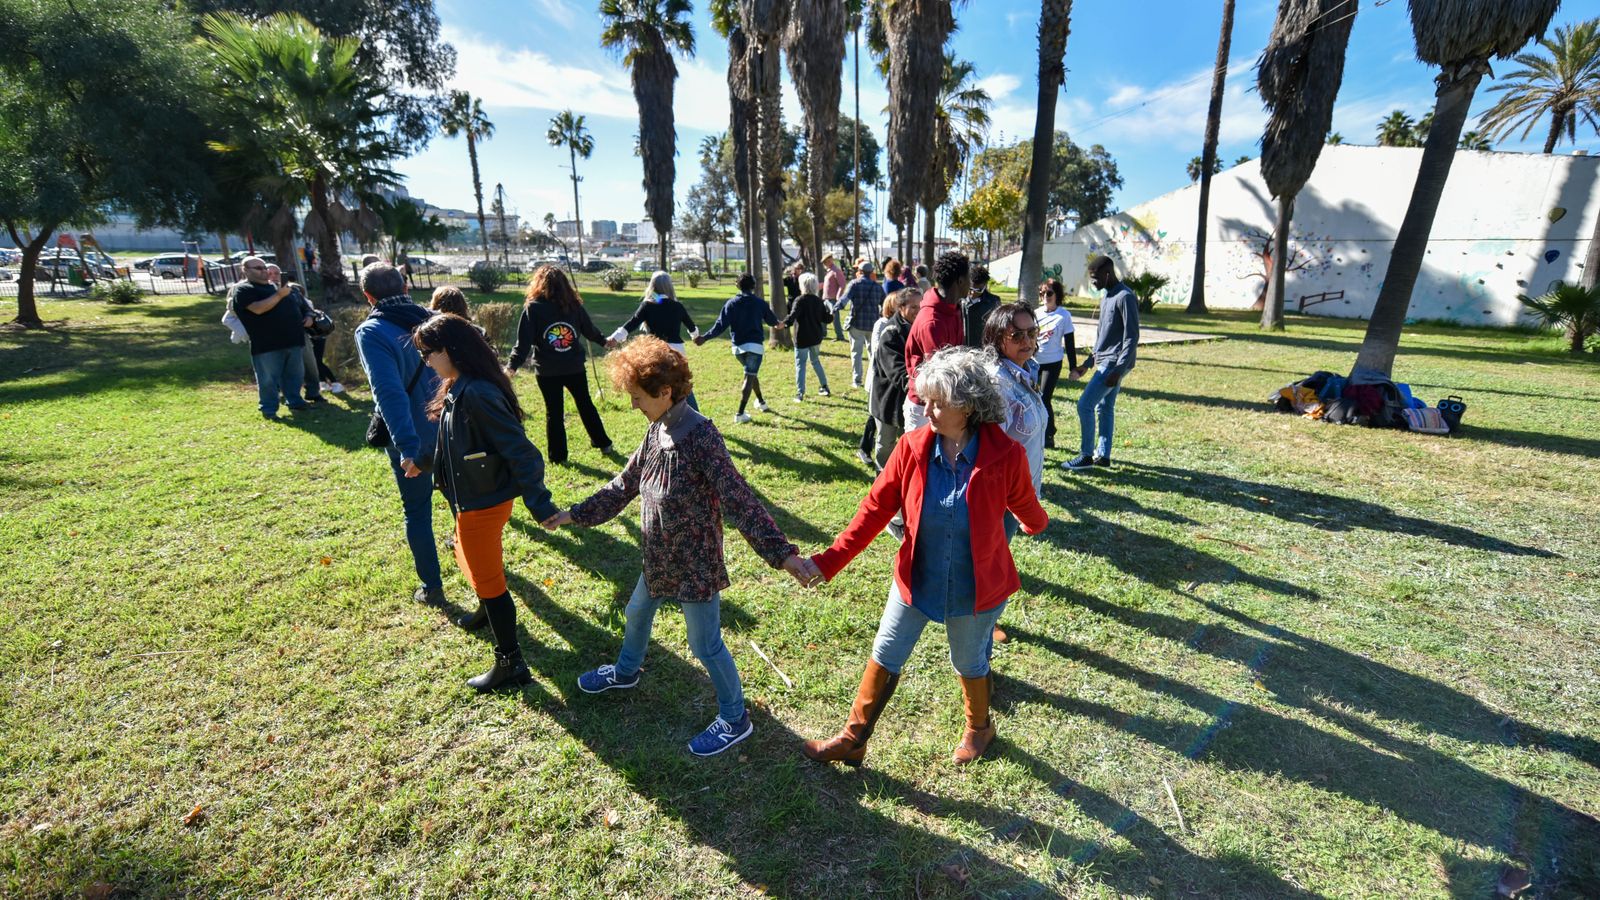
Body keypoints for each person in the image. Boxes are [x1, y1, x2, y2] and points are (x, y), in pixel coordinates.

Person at [543, 337, 819, 756]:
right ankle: (626, 671)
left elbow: (738, 499)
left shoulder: (701, 436)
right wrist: (573, 515)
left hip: (694, 563)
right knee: (636, 612)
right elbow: (625, 484)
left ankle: (735, 718)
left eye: (638, 397)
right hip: (658, 557)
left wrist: (782, 554)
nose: (634, 404)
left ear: (665, 392)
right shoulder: (657, 429)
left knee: (705, 644)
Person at [801, 347, 1048, 767]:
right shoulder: (912, 447)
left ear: (967, 407)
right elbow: (874, 510)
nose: (925, 409)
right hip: (917, 576)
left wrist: (1035, 523)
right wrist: (829, 562)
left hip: (975, 585)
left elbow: (1025, 503)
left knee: (968, 661)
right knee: (886, 651)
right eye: (925, 399)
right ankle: (854, 738)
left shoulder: (1005, 454)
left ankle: (979, 728)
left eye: (937, 402)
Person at [413, 314, 560, 691]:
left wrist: (541, 505)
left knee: (491, 581)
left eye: (428, 354)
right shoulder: (459, 386)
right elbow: (451, 442)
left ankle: (510, 663)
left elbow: (521, 452)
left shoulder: (477, 393)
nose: (426, 362)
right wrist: (422, 461)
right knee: (466, 556)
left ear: (450, 350)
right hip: (471, 497)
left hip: (482, 503)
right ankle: (485, 609)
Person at [352, 262, 445, 607]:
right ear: (405, 287)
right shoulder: (437, 319)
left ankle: (432, 587)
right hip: (451, 429)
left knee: (417, 511)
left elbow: (387, 393)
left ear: (368, 296)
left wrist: (407, 447)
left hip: (414, 439)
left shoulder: (372, 331)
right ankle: (482, 577)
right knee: (463, 506)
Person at [982, 302, 1049, 648]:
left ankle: (984, 622)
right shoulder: (998, 384)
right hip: (1003, 497)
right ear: (998, 338)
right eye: (1017, 335)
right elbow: (991, 450)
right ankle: (981, 633)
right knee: (991, 566)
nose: (1027, 341)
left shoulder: (1024, 371)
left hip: (1019, 492)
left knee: (995, 561)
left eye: (1031, 332)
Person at [507, 265, 613, 464]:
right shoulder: (573, 306)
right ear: (565, 284)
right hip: (573, 367)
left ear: (538, 284)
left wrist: (511, 366)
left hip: (548, 370)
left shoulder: (534, 308)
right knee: (585, 404)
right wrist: (604, 341)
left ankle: (558, 457)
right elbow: (590, 330)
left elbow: (523, 343)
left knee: (554, 412)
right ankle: (604, 443)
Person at [1065, 255, 1139, 471]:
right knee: (1105, 408)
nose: (1093, 282)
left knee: (1085, 405)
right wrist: (1088, 363)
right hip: (1105, 361)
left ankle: (1086, 456)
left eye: (1096, 278)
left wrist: (1119, 369)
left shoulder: (1125, 296)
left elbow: (1131, 336)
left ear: (1107, 274)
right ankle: (1103, 456)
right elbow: (1102, 338)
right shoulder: (1107, 296)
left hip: (1114, 363)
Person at [694, 273, 787, 423]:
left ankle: (761, 402)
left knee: (751, 374)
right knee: (749, 377)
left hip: (737, 348)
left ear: (737, 285)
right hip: (755, 347)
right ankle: (740, 413)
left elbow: (719, 326)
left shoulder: (731, 303)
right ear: (753, 286)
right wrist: (781, 324)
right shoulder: (760, 303)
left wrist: (704, 338)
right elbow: (774, 323)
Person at [229, 256, 311, 419]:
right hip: (267, 344)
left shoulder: (277, 288)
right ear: (245, 270)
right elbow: (258, 309)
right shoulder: (243, 290)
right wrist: (279, 295)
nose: (264, 271)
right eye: (258, 268)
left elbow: (301, 306)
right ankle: (269, 409)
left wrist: (308, 315)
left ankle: (295, 401)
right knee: (268, 379)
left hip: (293, 340)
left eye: (264, 267)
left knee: (294, 376)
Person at [607, 271, 701, 409]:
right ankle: (696, 415)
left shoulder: (648, 305)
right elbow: (692, 327)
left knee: (657, 388)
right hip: (677, 353)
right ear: (669, 286)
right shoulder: (677, 306)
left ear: (652, 286)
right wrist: (696, 337)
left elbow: (632, 323)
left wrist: (615, 338)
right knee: (682, 386)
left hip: (656, 353)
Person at [902, 251, 969, 431]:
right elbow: (939, 374)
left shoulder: (953, 308)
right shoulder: (932, 322)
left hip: (945, 401)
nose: (971, 283)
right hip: (924, 407)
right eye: (968, 278)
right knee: (918, 451)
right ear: (960, 281)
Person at [868, 288, 918, 474]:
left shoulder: (920, 328)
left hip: (910, 399)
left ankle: (902, 479)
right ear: (901, 307)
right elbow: (896, 371)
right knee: (886, 444)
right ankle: (881, 479)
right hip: (888, 400)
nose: (918, 310)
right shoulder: (891, 333)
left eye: (921, 306)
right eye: (913, 307)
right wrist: (919, 386)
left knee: (908, 443)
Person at [265, 263, 325, 404]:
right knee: (287, 369)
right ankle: (291, 397)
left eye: (276, 273)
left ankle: (313, 392)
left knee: (310, 365)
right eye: (269, 273)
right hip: (277, 337)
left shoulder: (293, 290)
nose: (273, 276)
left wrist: (309, 317)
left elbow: (307, 308)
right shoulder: (263, 292)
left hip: (300, 333)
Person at [1034, 277, 1078, 450]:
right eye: (1042, 293)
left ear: (1057, 295)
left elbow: (1070, 343)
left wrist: (1073, 368)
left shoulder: (1064, 315)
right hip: (1034, 362)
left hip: (1052, 363)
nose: (1045, 296)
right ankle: (1035, 432)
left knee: (1045, 397)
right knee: (1032, 397)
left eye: (1049, 293)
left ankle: (1049, 434)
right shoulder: (1036, 313)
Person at [834, 259, 887, 389]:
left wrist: (834, 308)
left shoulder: (854, 284)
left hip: (857, 323)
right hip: (873, 324)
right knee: (872, 353)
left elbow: (844, 299)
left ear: (860, 271)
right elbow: (885, 304)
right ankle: (873, 379)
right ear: (871, 272)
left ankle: (857, 380)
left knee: (856, 353)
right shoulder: (877, 287)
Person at [783, 271, 832, 401]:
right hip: (815, 337)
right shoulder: (818, 301)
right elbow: (826, 319)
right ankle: (824, 386)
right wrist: (831, 313)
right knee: (815, 361)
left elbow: (792, 316)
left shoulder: (799, 300)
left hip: (802, 337)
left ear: (802, 285)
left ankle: (800, 393)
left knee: (800, 364)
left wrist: (784, 324)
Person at [960, 264, 1001, 349]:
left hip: (982, 349)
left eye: (978, 290)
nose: (972, 293)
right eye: (970, 289)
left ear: (985, 285)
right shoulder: (959, 300)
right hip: (961, 349)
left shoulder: (994, 302)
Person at [819, 252, 847, 341]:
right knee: (823, 317)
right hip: (826, 299)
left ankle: (840, 337)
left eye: (826, 262)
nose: (825, 264)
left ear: (830, 260)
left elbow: (842, 284)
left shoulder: (836, 271)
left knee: (835, 319)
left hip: (833, 300)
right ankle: (823, 334)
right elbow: (828, 284)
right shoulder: (829, 271)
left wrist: (838, 296)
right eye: (824, 262)